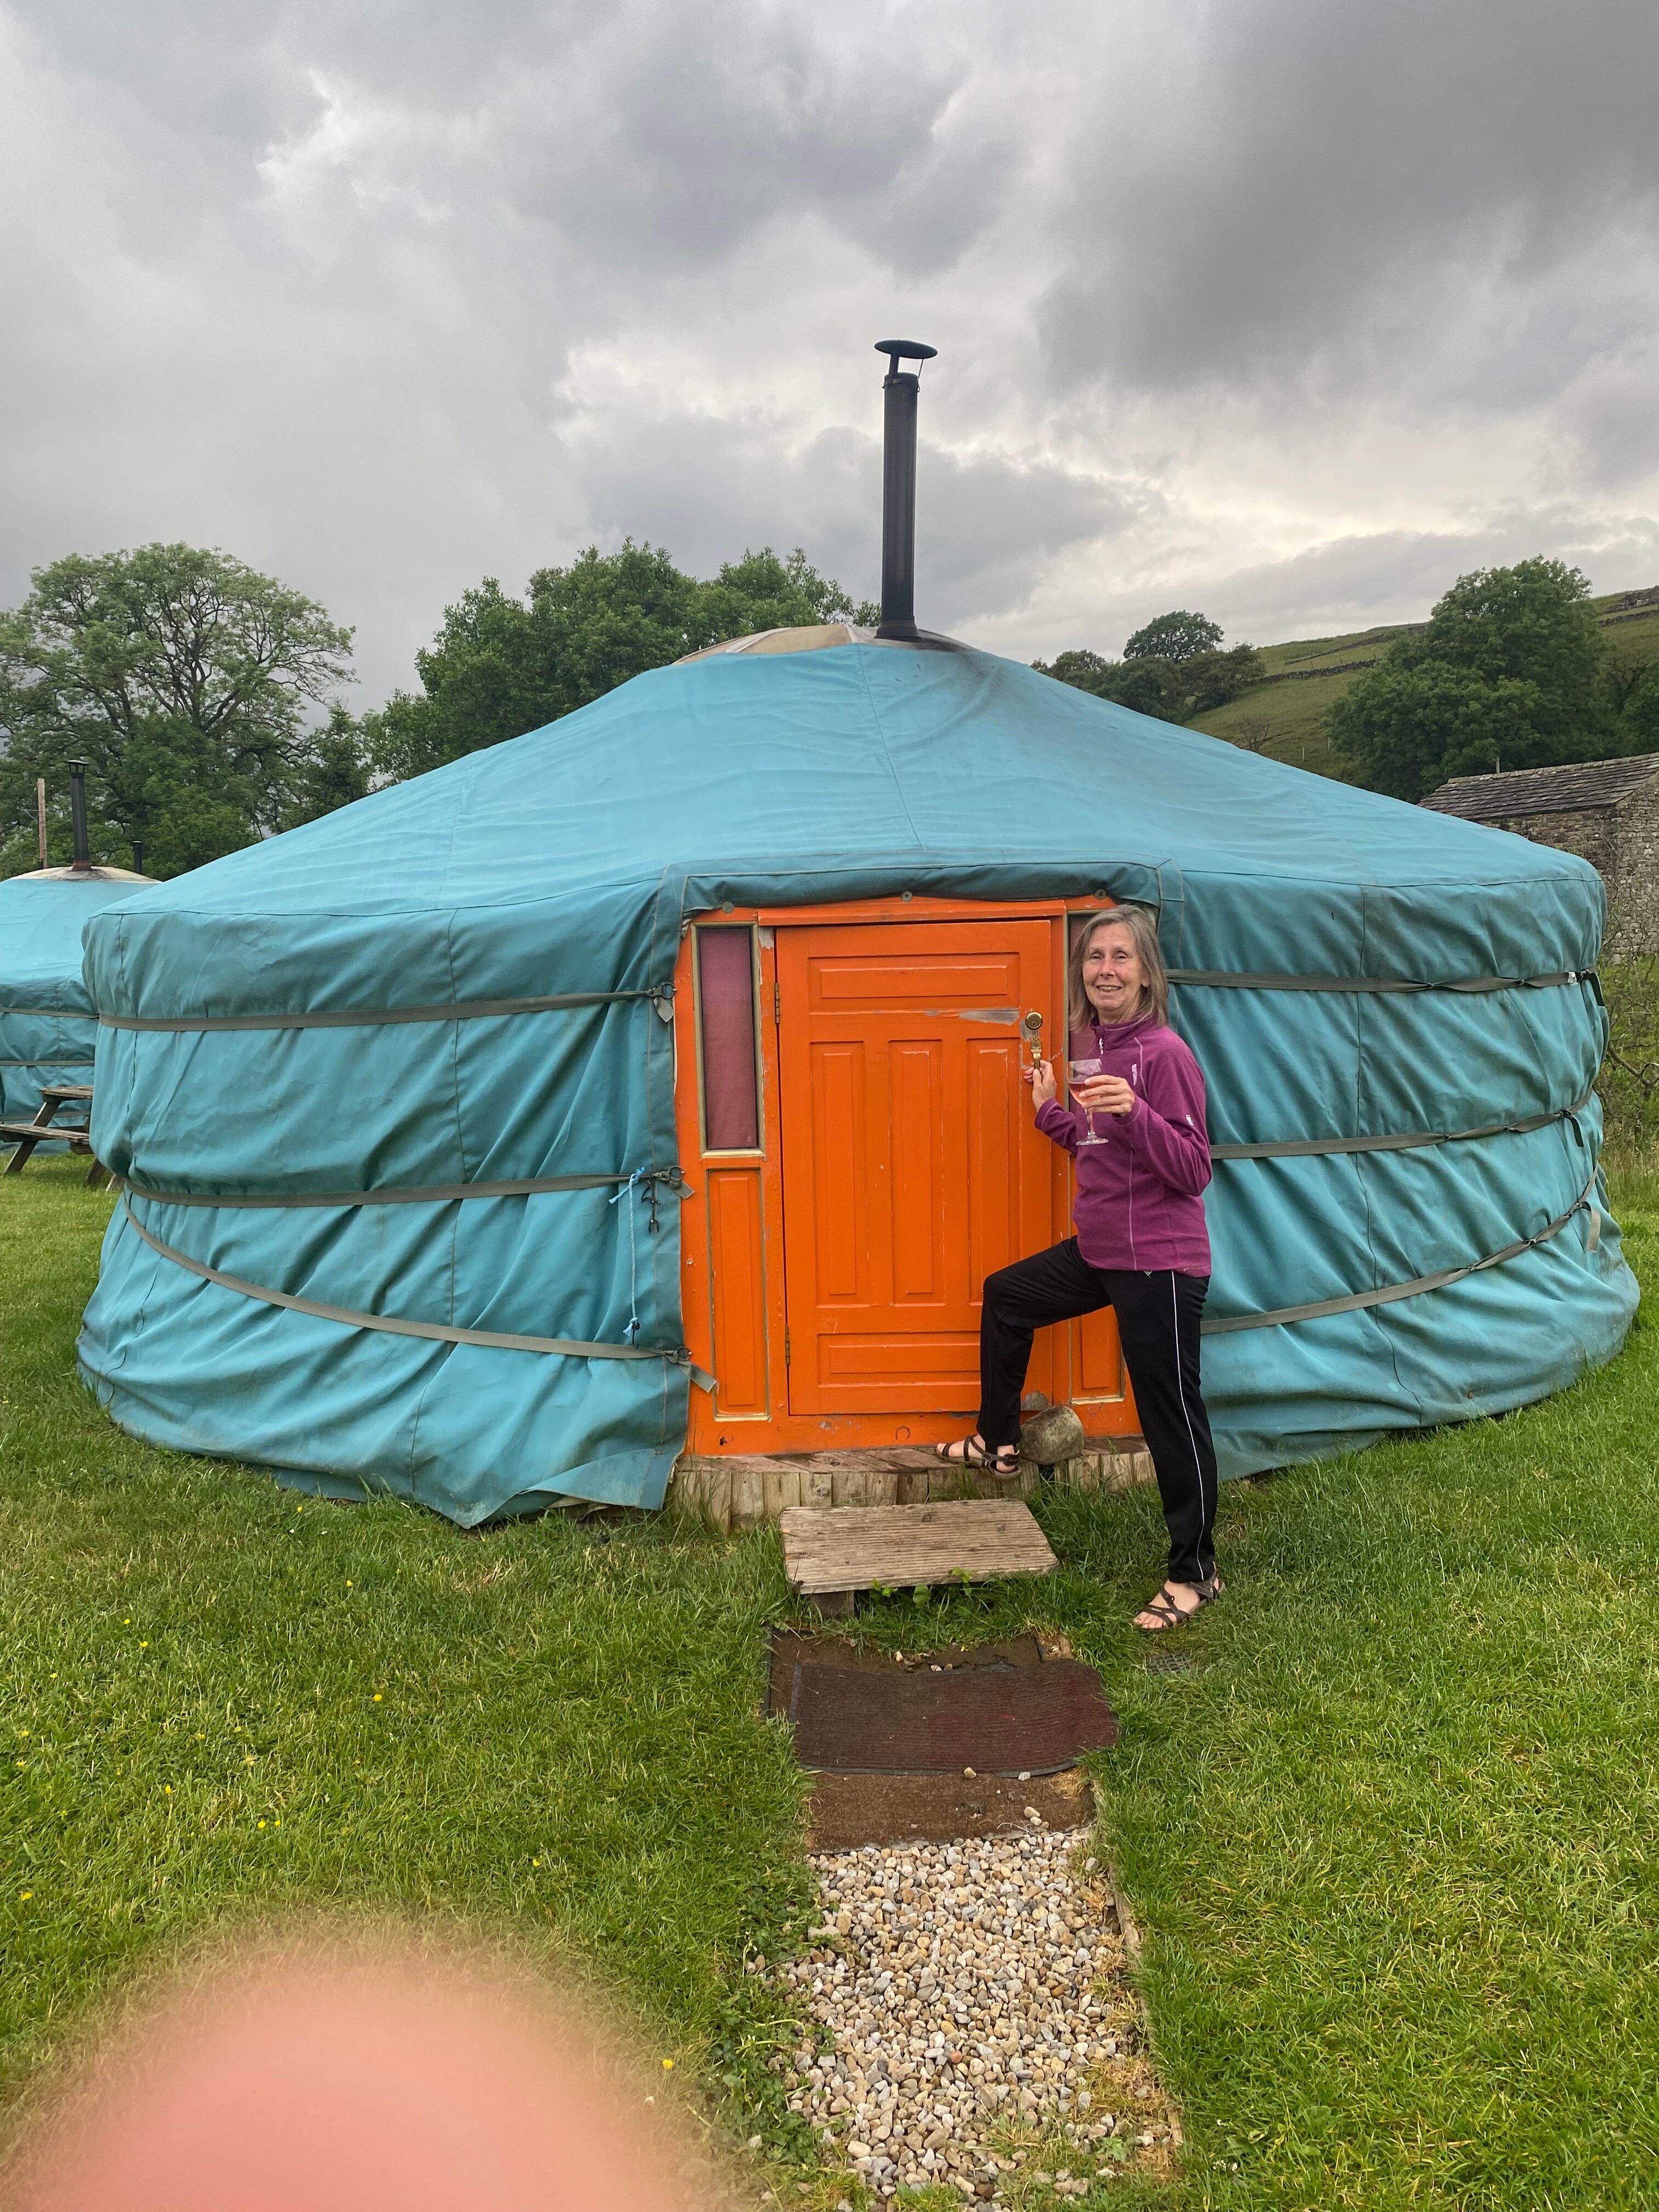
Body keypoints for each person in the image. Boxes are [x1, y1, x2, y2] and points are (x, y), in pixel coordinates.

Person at [935, 906, 1221, 1631]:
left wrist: (1136, 1111)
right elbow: (1098, 1146)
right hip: (1100, 1249)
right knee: (1007, 1296)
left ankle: (1196, 1571)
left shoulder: (1165, 1055)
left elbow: (1193, 1170)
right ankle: (998, 1441)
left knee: (1171, 1416)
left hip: (1157, 1260)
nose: (1106, 970)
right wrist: (1048, 1110)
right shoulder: (1091, 1044)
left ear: (1146, 972)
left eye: (1122, 957)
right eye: (1095, 958)